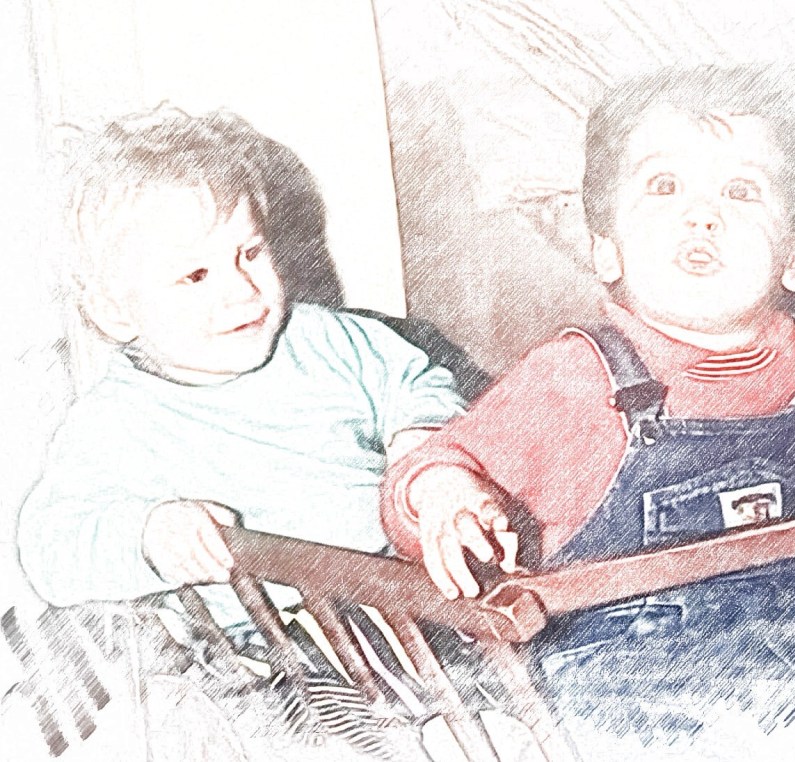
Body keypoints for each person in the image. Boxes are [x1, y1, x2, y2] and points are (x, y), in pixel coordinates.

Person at [380, 66, 795, 741]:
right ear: (607, 252)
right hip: (636, 661)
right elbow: (440, 459)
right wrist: (447, 497)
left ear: (794, 260)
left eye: (740, 190)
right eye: (664, 185)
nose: (703, 214)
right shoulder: (578, 375)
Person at [17, 103, 465, 642]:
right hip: (287, 643)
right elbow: (49, 546)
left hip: (424, 587)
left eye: (250, 252)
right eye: (196, 275)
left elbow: (415, 379)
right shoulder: (114, 422)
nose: (243, 288)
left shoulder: (327, 338)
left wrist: (424, 449)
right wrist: (149, 535)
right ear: (115, 312)